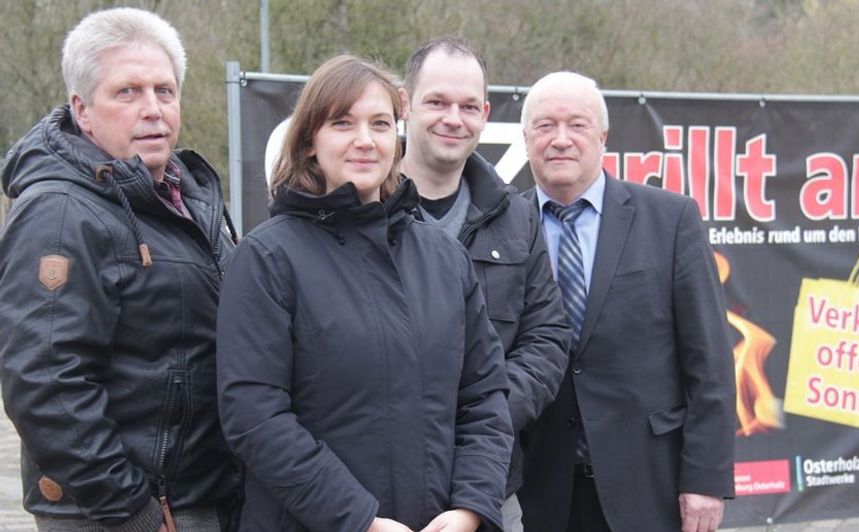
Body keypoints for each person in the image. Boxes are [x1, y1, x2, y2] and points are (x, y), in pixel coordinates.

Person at [216, 54, 513, 532]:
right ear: (310, 141)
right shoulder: (267, 259)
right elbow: (256, 418)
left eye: (379, 123)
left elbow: (483, 397)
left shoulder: (444, 257)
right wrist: (361, 520)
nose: (364, 140)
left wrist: (472, 506)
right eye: (342, 123)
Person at [0, 7, 240, 532]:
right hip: (121, 512)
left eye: (165, 91)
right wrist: (133, 511)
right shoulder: (61, 212)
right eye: (127, 92)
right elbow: (45, 381)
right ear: (82, 110)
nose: (152, 110)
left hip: (198, 498)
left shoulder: (186, 197)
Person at [516, 71, 736, 532]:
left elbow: (710, 363)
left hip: (652, 485)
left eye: (576, 124)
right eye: (544, 126)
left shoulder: (671, 219)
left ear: (602, 137)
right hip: (543, 491)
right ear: (525, 138)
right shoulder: (501, 228)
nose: (560, 140)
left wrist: (706, 480)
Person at [400, 36, 570, 532]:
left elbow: (547, 340)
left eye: (468, 106)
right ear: (405, 105)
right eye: (437, 102)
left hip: (491, 491)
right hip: (380, 490)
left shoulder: (517, 218)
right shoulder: (359, 209)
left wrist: (486, 411)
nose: (454, 118)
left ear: (485, 113)